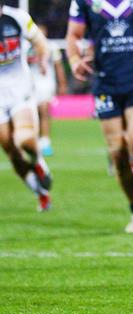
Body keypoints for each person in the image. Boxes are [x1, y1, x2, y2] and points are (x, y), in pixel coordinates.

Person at [66, 0, 133, 234]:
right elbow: (73, 34)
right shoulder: (83, 2)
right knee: (118, 152)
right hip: (105, 83)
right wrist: (73, 60)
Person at [0, 3, 52, 211]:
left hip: (20, 89)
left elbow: (39, 41)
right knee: (11, 150)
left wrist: (43, 58)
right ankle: (41, 192)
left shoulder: (18, 17)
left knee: (25, 140)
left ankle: (39, 162)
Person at [27, 24, 67, 157]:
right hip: (29, 83)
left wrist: (62, 83)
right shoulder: (26, 47)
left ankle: (46, 141)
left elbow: (58, 66)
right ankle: (37, 140)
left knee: (44, 109)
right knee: (34, 113)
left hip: (46, 82)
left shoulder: (52, 47)